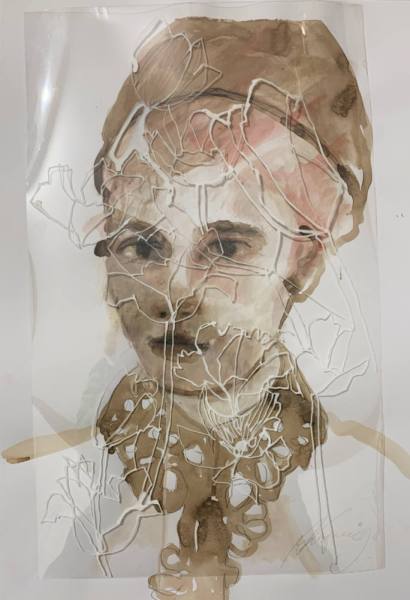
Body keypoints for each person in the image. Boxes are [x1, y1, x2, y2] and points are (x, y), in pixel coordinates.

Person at [2, 16, 380, 599]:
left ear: (304, 261)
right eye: (142, 246)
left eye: (226, 247)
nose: (174, 291)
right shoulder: (27, 481)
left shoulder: (381, 482)